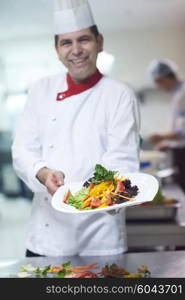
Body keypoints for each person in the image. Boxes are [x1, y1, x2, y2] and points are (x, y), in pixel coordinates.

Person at [12, 0, 140, 257]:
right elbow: (22, 148)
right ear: (57, 50)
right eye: (66, 43)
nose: (76, 50)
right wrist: (43, 172)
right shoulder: (41, 90)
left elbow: (121, 160)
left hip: (99, 237)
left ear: (99, 42)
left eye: (84, 40)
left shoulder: (120, 95)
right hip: (46, 238)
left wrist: (83, 198)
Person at [148, 59, 185, 191]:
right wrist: (169, 143)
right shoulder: (178, 94)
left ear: (162, 79)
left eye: (157, 83)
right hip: (179, 151)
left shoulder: (183, 93)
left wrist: (161, 136)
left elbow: (182, 132)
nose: (158, 87)